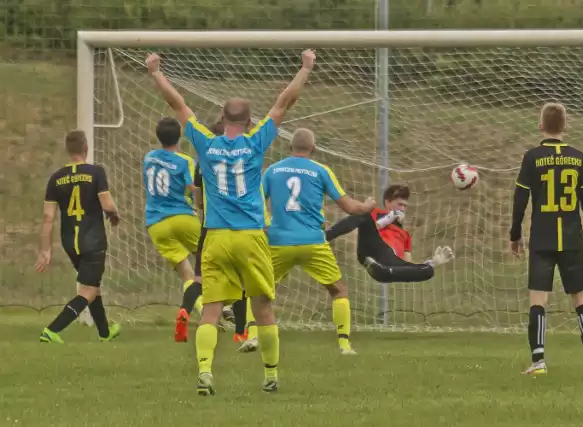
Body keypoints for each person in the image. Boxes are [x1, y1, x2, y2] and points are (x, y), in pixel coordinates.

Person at [146, 48, 315, 395]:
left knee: (210, 310)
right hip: (250, 236)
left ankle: (205, 373)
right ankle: (270, 375)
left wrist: (156, 72)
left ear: (222, 118)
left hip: (216, 237)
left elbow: (178, 106)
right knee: (263, 308)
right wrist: (305, 67)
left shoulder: (205, 143)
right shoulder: (256, 142)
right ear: (251, 122)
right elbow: (285, 102)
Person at [259, 128, 375, 355]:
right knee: (338, 290)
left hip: (279, 241)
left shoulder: (272, 170)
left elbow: (255, 201)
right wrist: (367, 206)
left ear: (289, 147)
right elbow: (351, 207)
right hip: (313, 241)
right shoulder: (321, 171)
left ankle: (253, 336)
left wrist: (265, 225)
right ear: (313, 148)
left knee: (261, 293)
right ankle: (344, 345)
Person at [510, 102, 583, 375]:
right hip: (572, 237)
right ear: (566, 125)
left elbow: (520, 199)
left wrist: (514, 234)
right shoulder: (578, 157)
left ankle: (538, 361)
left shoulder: (532, 157)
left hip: (542, 237)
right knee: (581, 297)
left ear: (541, 126)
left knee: (538, 299)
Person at [36, 130, 121, 343]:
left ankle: (105, 332)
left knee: (92, 285)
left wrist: (45, 250)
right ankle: (52, 330)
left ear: (68, 149)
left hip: (70, 242)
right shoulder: (96, 172)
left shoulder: (56, 178)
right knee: (88, 291)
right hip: (92, 240)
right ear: (86, 148)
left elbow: (48, 217)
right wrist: (114, 215)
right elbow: (108, 204)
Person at [143, 117, 204, 342]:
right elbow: (193, 187)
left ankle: (193, 310)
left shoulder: (148, 158)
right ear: (180, 136)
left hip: (156, 223)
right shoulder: (185, 161)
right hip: (182, 217)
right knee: (209, 261)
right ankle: (227, 311)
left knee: (185, 272)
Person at [325, 185, 454, 282]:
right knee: (364, 213)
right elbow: (364, 224)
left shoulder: (405, 234)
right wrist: (388, 219)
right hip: (371, 250)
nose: (402, 209)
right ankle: (325, 236)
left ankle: (382, 272)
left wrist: (433, 262)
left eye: (405, 206)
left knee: (428, 271)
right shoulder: (374, 213)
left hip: (389, 264)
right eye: (399, 204)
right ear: (387, 203)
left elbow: (406, 263)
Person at [192, 119, 244, 341]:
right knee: (243, 279)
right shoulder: (242, 158)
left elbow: (199, 202)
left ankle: (204, 315)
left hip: (210, 229)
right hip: (240, 227)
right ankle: (241, 332)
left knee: (201, 277)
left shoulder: (201, 163)